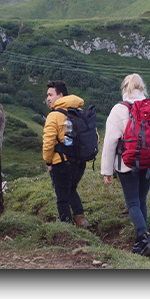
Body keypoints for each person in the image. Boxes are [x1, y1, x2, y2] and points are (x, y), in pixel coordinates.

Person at [101, 73, 150, 256]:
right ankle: (140, 244)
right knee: (141, 202)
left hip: (126, 164)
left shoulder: (119, 109)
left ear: (125, 88)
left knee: (132, 203)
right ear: (142, 88)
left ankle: (144, 238)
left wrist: (106, 170)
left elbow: (109, 143)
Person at [42, 80, 90, 228]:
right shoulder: (81, 113)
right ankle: (81, 220)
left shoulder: (54, 115)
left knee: (62, 198)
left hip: (60, 163)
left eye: (51, 95)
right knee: (71, 189)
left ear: (60, 95)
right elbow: (93, 136)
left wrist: (48, 161)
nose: (48, 98)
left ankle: (66, 229)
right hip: (80, 162)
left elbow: (48, 142)